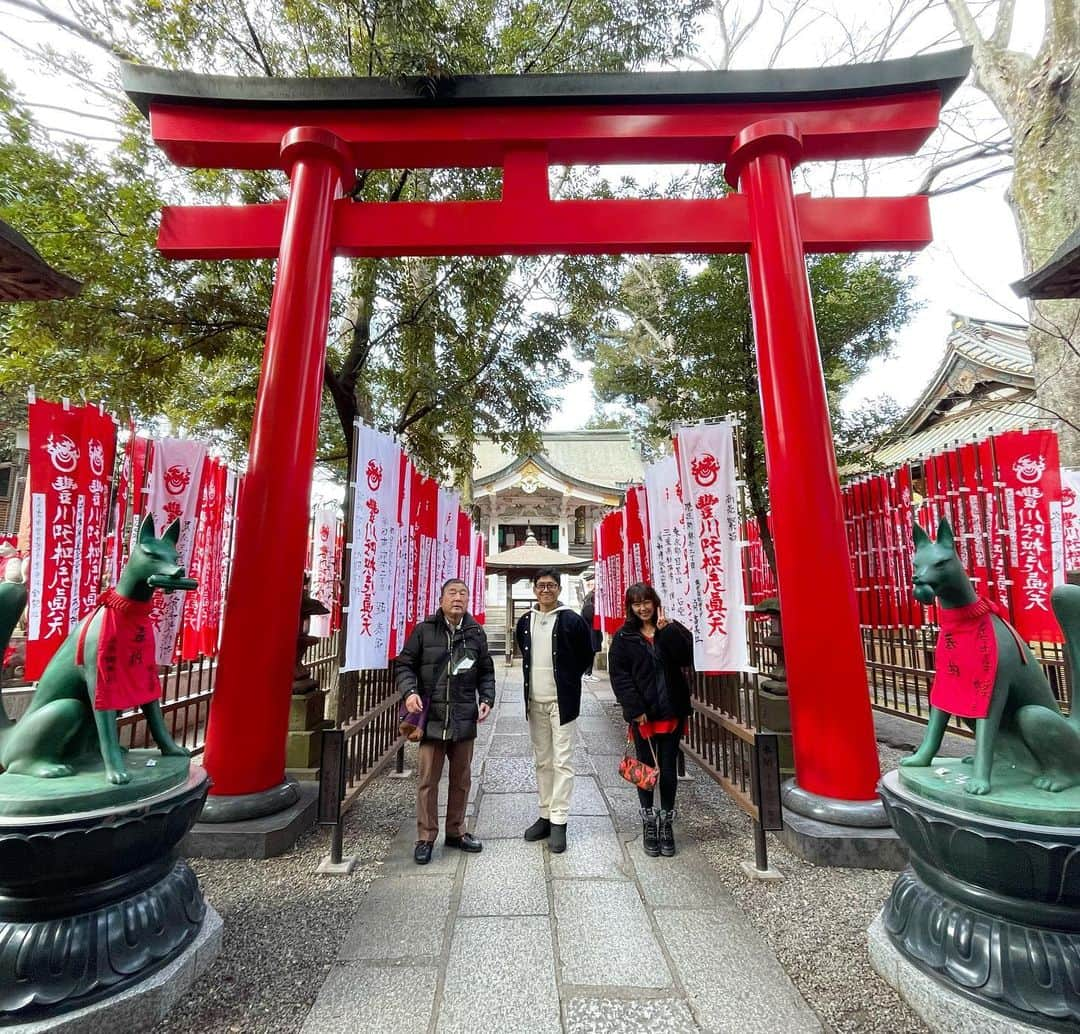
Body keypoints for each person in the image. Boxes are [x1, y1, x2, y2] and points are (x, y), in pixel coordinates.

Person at [397, 577, 496, 865]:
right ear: (441, 599)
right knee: (427, 780)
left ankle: (456, 831)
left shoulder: (476, 633)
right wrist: (409, 692)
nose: (458, 598)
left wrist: (487, 698)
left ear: (468, 600)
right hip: (432, 718)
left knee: (461, 779)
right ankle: (426, 836)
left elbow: (486, 671)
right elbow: (405, 664)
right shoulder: (424, 631)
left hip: (464, 716)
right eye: (452, 593)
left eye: (463, 593)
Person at [608, 582, 693, 858]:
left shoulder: (669, 628)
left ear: (655, 602)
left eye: (646, 602)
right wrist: (634, 708)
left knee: (667, 769)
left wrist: (668, 630)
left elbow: (685, 657)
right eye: (637, 603)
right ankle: (649, 823)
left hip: (671, 711)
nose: (643, 608)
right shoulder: (623, 637)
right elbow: (620, 676)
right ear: (630, 607)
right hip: (644, 714)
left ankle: (666, 821)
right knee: (645, 770)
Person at [514, 567, 594, 853]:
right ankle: (545, 814)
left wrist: (569, 678)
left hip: (563, 701)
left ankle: (560, 820)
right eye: (540, 585)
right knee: (542, 760)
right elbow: (523, 650)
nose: (545, 590)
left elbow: (587, 652)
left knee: (563, 761)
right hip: (534, 700)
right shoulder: (525, 621)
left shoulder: (571, 620)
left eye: (551, 585)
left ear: (559, 589)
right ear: (533, 588)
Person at [578, 574, 602, 682]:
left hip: (592, 630)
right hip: (590, 631)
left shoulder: (589, 599)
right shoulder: (590, 602)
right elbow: (589, 616)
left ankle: (588, 673)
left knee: (591, 652)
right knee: (590, 652)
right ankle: (587, 673)